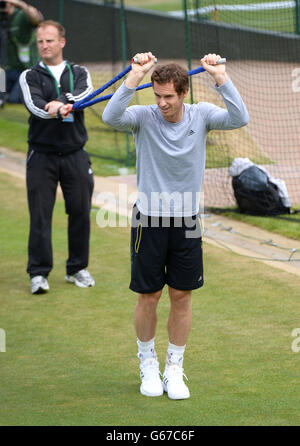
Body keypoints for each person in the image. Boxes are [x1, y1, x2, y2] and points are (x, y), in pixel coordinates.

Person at [102, 52, 249, 400]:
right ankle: (147, 362)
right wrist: (135, 76)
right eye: (158, 95)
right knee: (148, 295)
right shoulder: (143, 116)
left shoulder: (202, 115)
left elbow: (240, 117)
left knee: (181, 295)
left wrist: (220, 77)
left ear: (184, 93)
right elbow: (111, 115)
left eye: (169, 96)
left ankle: (175, 367)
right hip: (149, 219)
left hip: (187, 221)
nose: (162, 103)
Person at [19, 20, 95, 294]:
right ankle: (38, 274)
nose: (44, 45)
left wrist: (65, 100)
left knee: (80, 213)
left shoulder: (79, 72)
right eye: (40, 41)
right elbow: (34, 105)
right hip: (42, 156)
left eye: (49, 40)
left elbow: (87, 94)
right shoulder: (30, 75)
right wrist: (53, 109)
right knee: (40, 216)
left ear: (62, 42)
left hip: (75, 155)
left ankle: (77, 268)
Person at [0, 0, 43, 106]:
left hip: (27, 70)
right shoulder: (2, 18)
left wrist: (21, 4)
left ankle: (38, 89)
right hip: (9, 69)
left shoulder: (21, 15)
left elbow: (38, 20)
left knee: (14, 99)